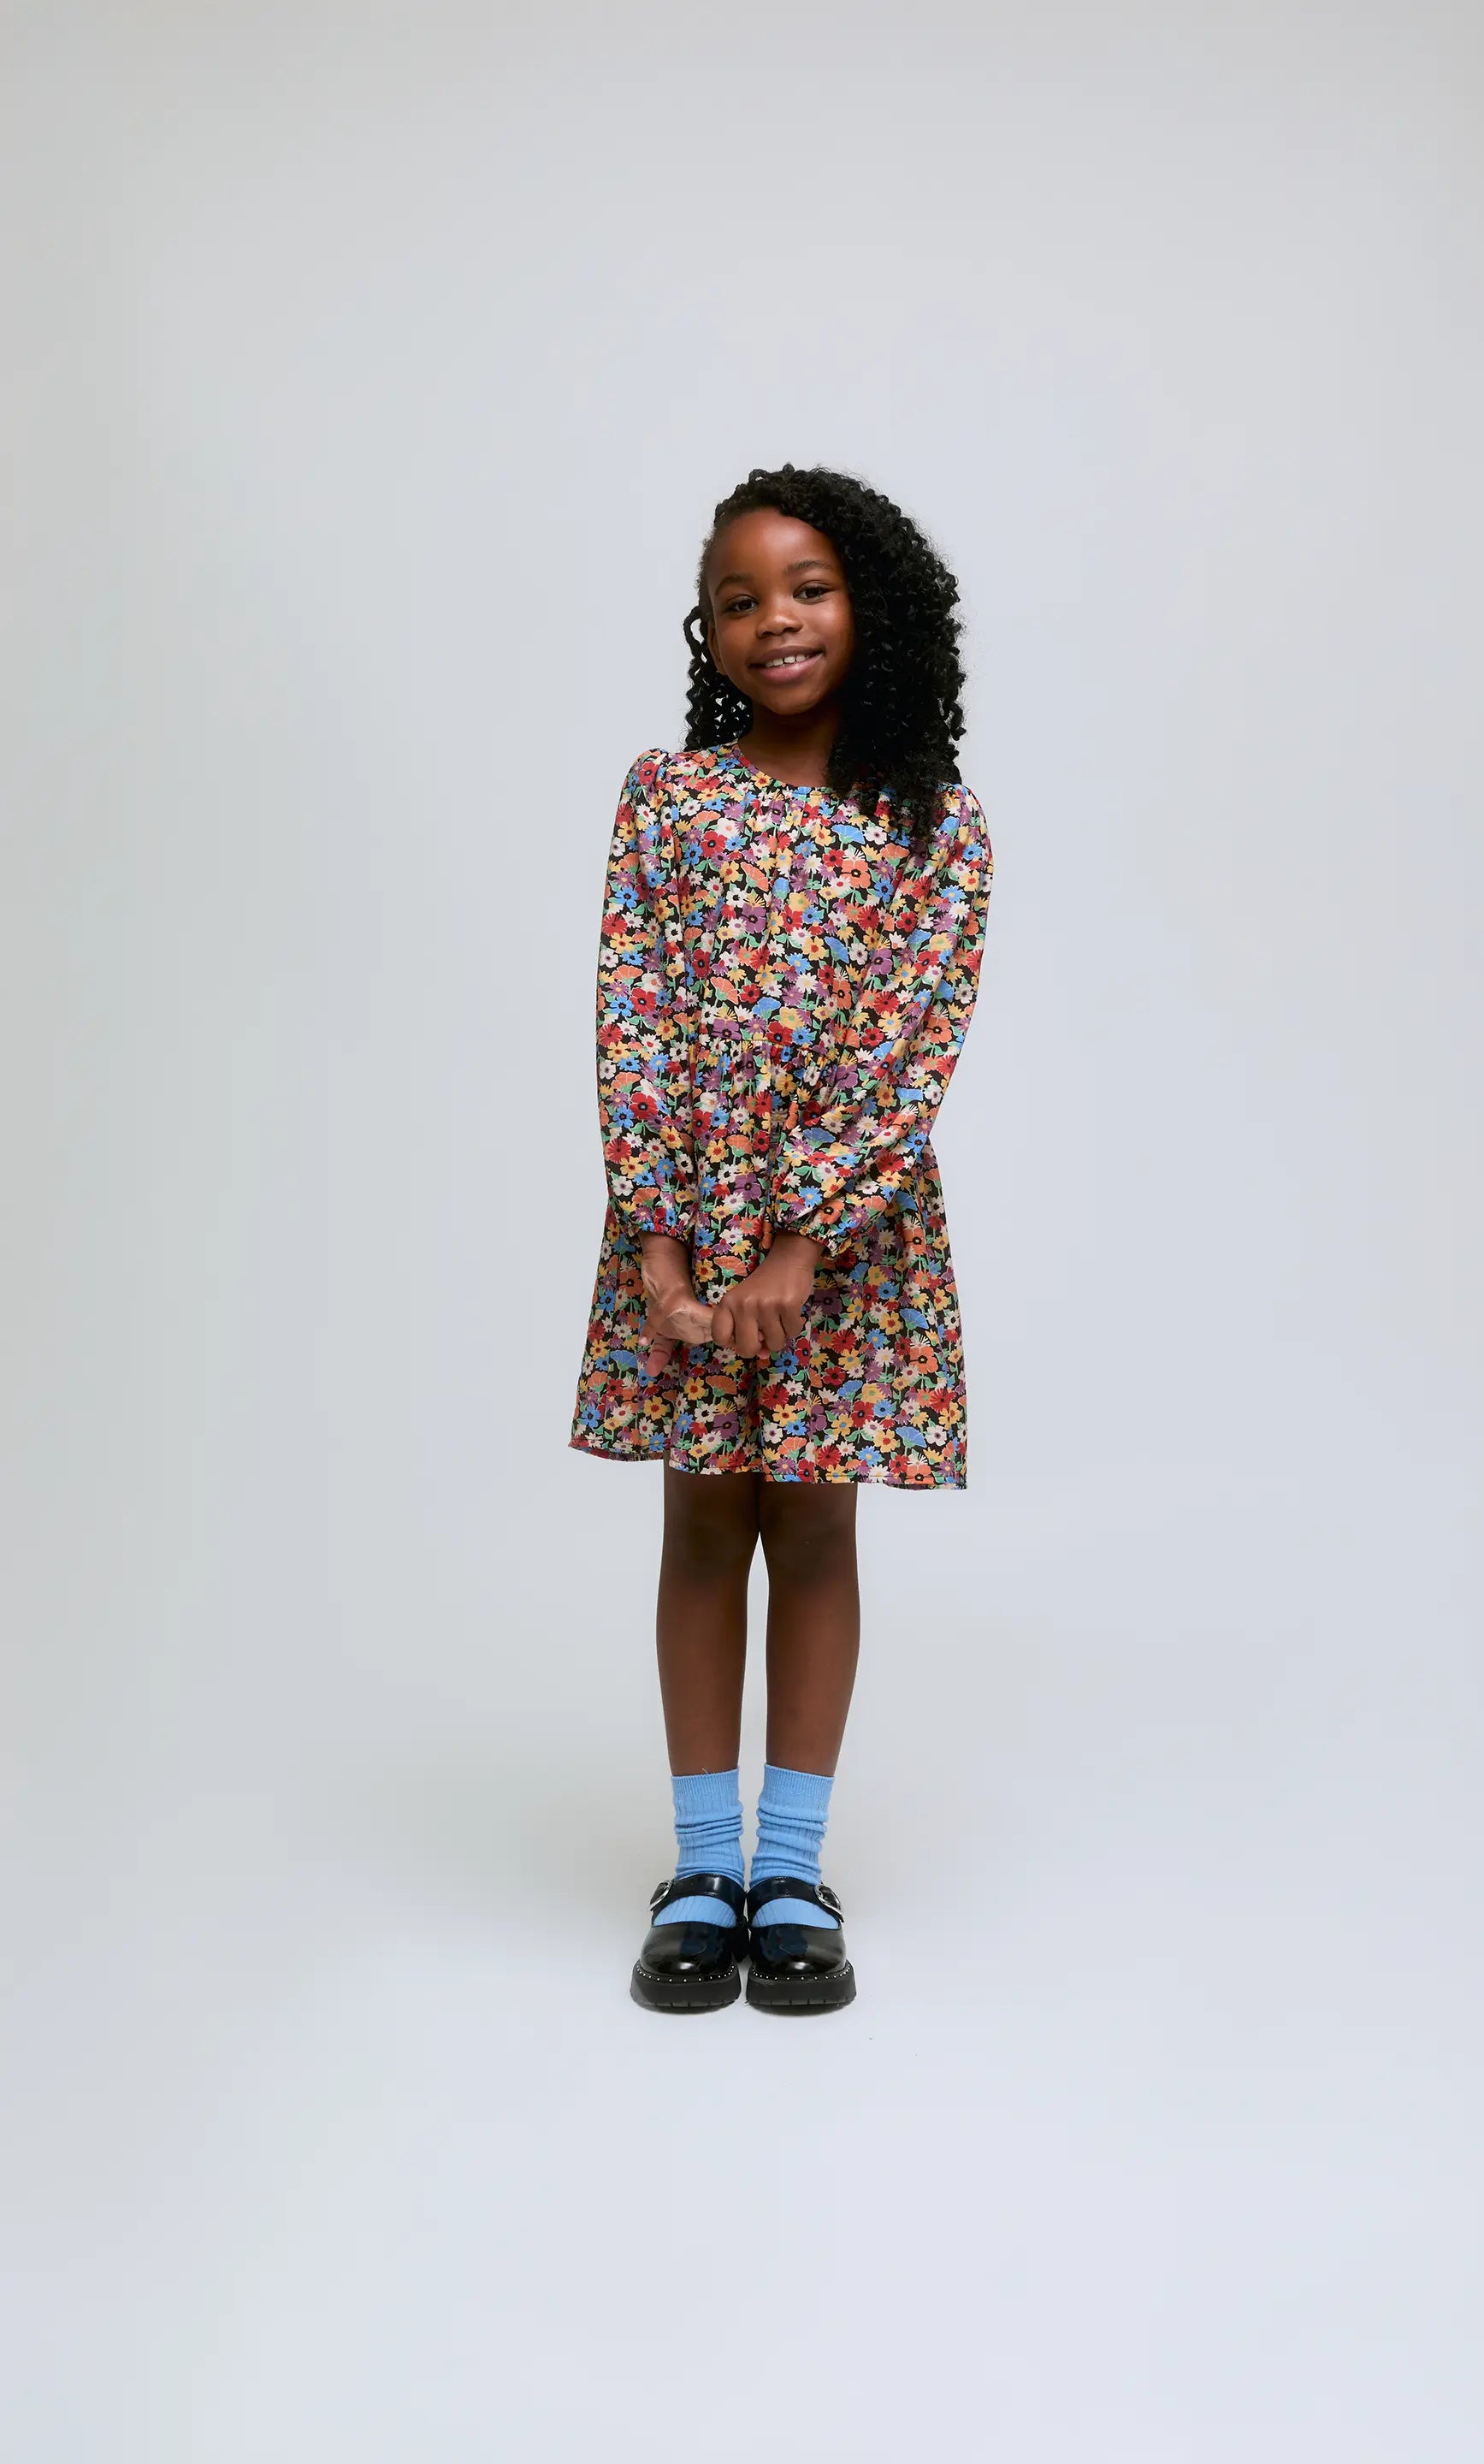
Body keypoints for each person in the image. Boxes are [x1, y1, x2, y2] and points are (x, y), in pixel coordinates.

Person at [568, 463, 994, 2015]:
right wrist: (661, 1239)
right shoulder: (668, 798)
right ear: (710, 629)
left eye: (808, 588)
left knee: (812, 1527)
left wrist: (804, 1238)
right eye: (739, 599)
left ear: (872, 607)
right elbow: (632, 1008)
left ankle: (792, 1866)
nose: (777, 620)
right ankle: (702, 1867)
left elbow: (911, 1042)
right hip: (689, 1219)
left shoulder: (931, 822)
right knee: (701, 1524)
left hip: (846, 1239)